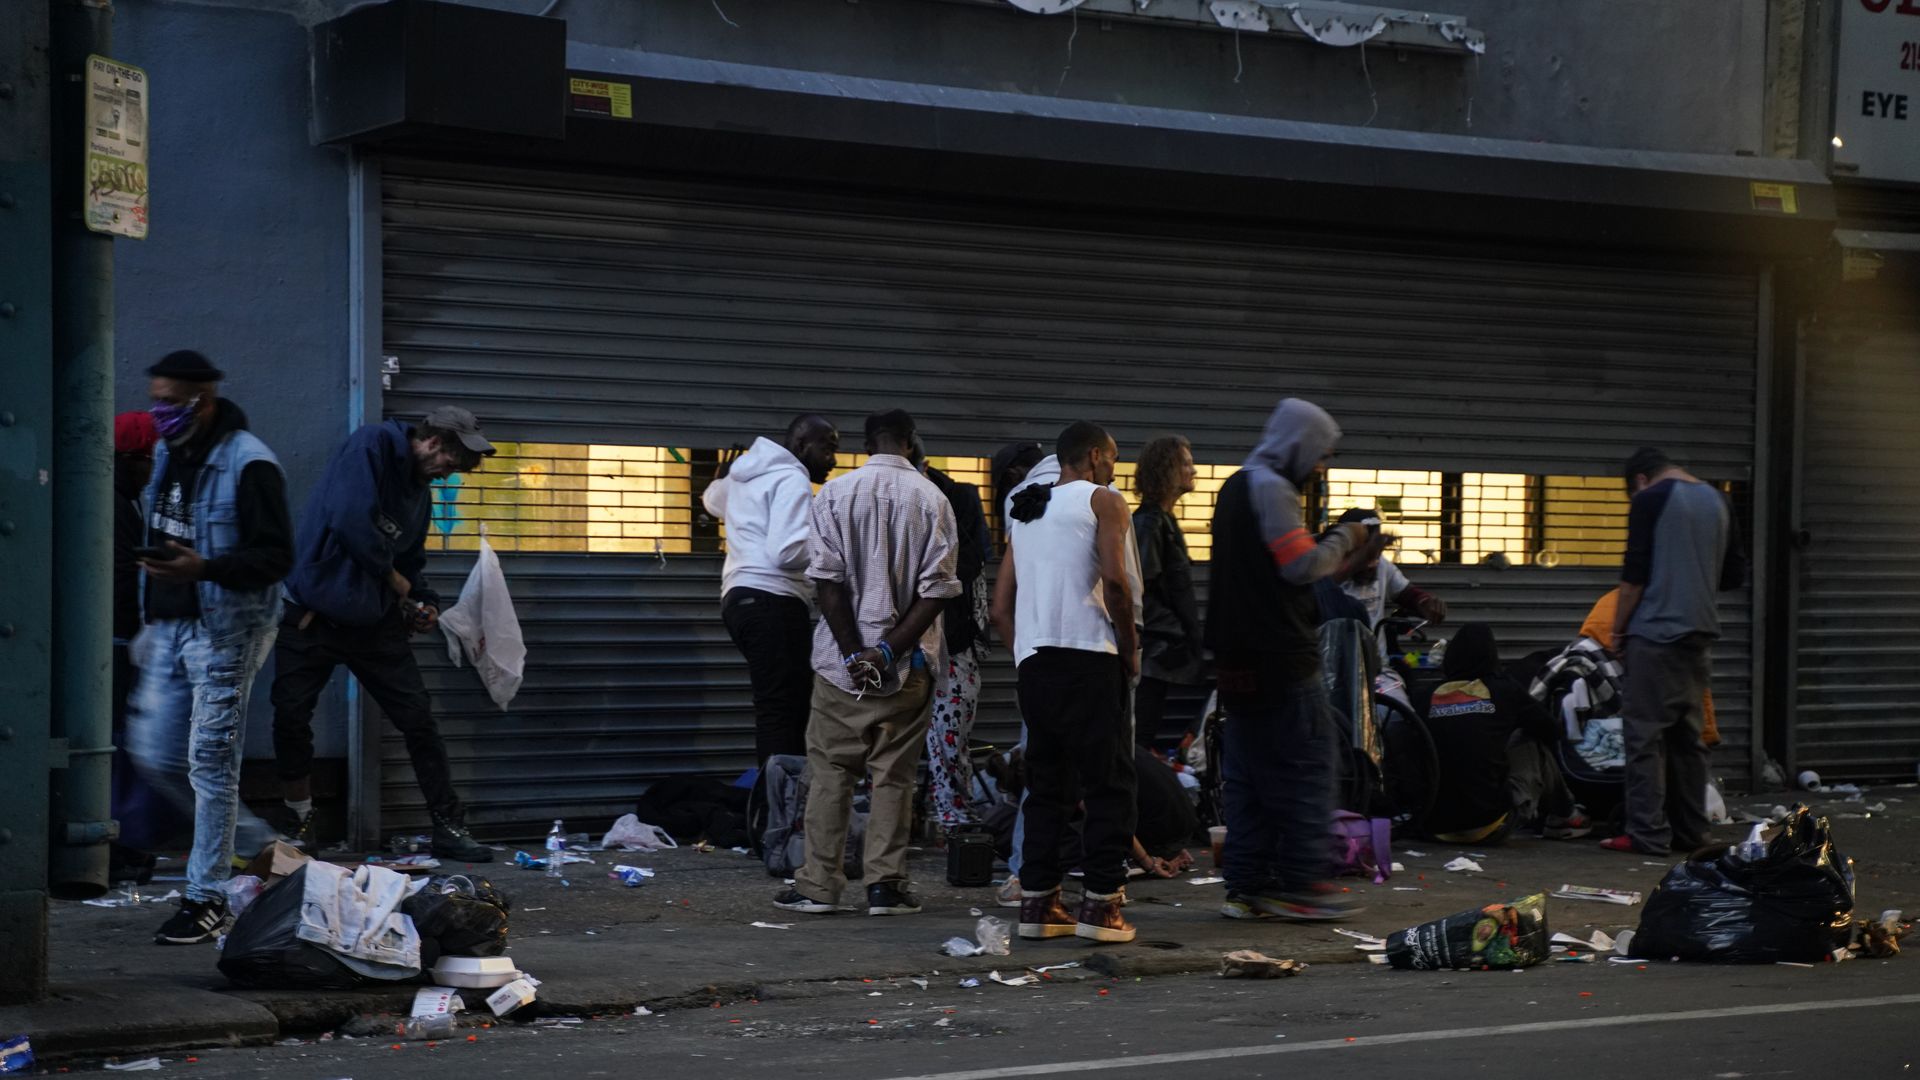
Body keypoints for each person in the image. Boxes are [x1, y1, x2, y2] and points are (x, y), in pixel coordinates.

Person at [268, 406, 497, 862]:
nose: (447, 475)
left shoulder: (421, 493)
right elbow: (350, 519)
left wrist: (425, 602)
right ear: (433, 442)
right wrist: (393, 580)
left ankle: (449, 825)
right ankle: (300, 822)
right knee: (291, 716)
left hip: (372, 625)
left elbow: (411, 562)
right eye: (449, 464)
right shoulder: (371, 446)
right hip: (311, 614)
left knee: (418, 720)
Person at [126, 351, 295, 944]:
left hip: (227, 630)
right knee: (156, 754)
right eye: (157, 399)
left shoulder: (251, 464)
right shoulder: (172, 454)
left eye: (172, 401)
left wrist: (206, 569)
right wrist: (153, 612)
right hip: (171, 627)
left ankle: (206, 898)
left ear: (205, 399)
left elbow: (276, 558)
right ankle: (272, 855)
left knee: (210, 766)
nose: (161, 411)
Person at [771, 410, 959, 917]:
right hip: (908, 664)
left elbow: (825, 583)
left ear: (865, 442)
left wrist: (855, 652)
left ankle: (818, 886)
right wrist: (888, 651)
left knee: (830, 771)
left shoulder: (834, 494)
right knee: (893, 776)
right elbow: (937, 591)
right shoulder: (932, 498)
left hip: (839, 666)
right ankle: (885, 887)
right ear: (911, 442)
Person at [1206, 398, 1382, 922]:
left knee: (1250, 780)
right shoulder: (1272, 488)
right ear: (1301, 446)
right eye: (1321, 454)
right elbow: (1300, 565)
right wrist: (1346, 536)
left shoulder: (1236, 487)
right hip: (1281, 659)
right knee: (1309, 769)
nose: (1322, 466)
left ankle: (1246, 887)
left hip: (1237, 662)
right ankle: (1302, 885)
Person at [992, 420, 1140, 944]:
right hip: (1090, 659)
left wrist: (1025, 654)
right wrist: (1129, 649)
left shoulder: (1027, 509)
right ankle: (1102, 909)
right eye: (1115, 458)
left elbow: (999, 606)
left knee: (1047, 788)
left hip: (1036, 664)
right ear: (1096, 456)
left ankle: (1039, 904)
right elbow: (1118, 584)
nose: (1116, 469)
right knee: (1108, 785)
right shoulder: (1104, 501)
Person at [1602, 448, 1745, 856]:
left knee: (1644, 738)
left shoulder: (1650, 499)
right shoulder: (1719, 500)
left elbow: (1634, 577)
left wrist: (1618, 632)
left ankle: (1646, 833)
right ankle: (1692, 833)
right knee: (1688, 740)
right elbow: (1734, 574)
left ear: (1641, 480)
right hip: (1699, 636)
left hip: (1655, 635)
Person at [699, 415, 840, 775]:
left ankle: (779, 805)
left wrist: (726, 482)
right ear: (801, 445)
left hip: (739, 601)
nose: (834, 460)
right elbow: (787, 551)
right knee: (785, 710)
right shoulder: (791, 478)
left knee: (779, 706)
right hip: (772, 601)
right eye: (828, 448)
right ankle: (784, 810)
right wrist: (835, 550)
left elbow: (713, 500)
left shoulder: (751, 473)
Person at [1413, 623, 1590, 843]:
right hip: (1490, 824)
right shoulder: (1503, 689)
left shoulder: (1424, 696)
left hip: (1433, 827)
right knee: (1530, 741)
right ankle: (1565, 816)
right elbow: (1552, 730)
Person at [908, 435, 993, 831]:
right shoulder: (887, 499)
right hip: (900, 636)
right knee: (889, 737)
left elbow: (970, 565)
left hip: (951, 636)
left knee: (948, 735)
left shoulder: (960, 498)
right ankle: (899, 818)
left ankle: (953, 817)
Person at [110, 411, 166, 879]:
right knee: (123, 746)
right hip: (116, 644)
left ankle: (124, 842)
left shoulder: (114, 501)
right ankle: (123, 844)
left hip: (116, 641)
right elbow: (125, 578)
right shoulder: (117, 506)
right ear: (134, 460)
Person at [1132, 435, 1206, 749]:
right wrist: (1175, 633)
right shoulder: (1150, 524)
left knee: (1145, 735)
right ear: (1167, 470)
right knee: (1141, 736)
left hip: (1160, 651)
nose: (1194, 470)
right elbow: (1141, 592)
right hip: (1153, 652)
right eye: (1186, 463)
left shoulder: (1163, 521)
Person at [1579, 588, 1720, 748]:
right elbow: (1690, 677)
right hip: (1658, 702)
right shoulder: (1669, 607)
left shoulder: (1610, 600)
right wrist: (1707, 734)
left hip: (1612, 720)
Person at [1334, 507, 1447, 656]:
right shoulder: (1326, 569)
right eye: (1367, 555)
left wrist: (1425, 602)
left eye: (1376, 555)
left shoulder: (1382, 565)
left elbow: (1406, 592)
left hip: (1376, 663)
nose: (1373, 564)